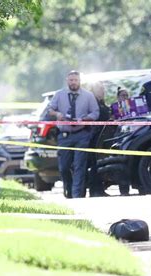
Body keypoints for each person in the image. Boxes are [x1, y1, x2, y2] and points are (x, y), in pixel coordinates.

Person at [47, 70, 99, 198]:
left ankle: (77, 196)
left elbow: (95, 112)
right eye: (71, 80)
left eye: (76, 80)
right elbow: (50, 109)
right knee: (64, 167)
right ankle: (68, 190)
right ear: (67, 81)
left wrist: (86, 119)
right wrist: (57, 114)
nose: (73, 83)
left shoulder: (88, 96)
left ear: (80, 81)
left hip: (82, 134)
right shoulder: (59, 95)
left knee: (79, 166)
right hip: (64, 135)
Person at [87, 82, 110, 197]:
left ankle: (100, 189)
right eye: (99, 89)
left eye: (103, 89)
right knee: (94, 164)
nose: (102, 91)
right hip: (95, 137)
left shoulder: (102, 103)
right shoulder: (93, 104)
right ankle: (94, 190)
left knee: (99, 164)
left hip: (102, 138)